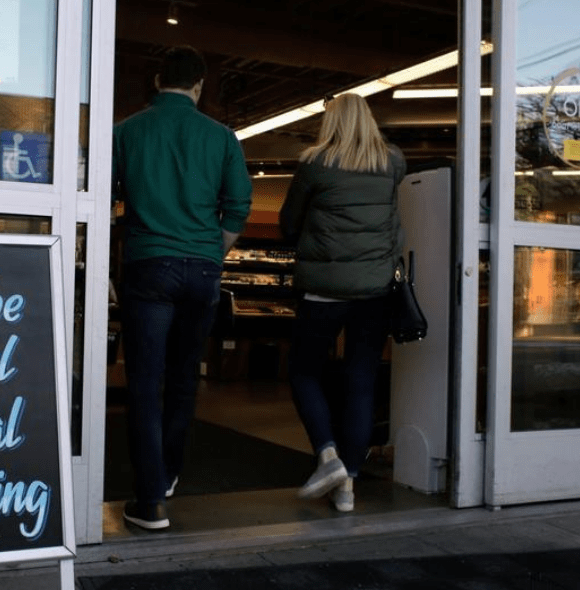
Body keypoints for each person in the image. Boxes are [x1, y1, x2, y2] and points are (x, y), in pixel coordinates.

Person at [112, 46, 252, 530]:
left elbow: (101, 196)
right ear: (199, 87)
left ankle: (150, 500)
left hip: (149, 267)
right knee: (184, 377)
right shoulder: (222, 137)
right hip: (203, 270)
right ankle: (170, 471)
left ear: (156, 80)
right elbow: (238, 206)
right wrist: (212, 250)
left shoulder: (126, 131)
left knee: (146, 382)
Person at [278, 92, 406, 513]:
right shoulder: (391, 163)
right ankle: (347, 484)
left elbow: (288, 224)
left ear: (330, 123)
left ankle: (328, 456)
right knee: (360, 381)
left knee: (303, 371)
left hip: (323, 290)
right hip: (374, 290)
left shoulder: (315, 163)